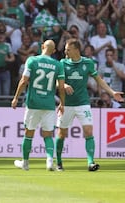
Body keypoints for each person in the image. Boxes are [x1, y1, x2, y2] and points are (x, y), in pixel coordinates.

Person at [55, 38, 124, 172]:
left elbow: (99, 80)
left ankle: (91, 162)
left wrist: (112, 92)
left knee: (88, 131)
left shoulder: (88, 63)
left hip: (83, 103)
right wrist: (65, 85)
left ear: (76, 49)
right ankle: (58, 162)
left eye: (68, 49)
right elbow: (56, 83)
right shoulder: (62, 63)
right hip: (67, 104)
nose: (65, 51)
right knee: (61, 133)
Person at [11, 40, 65, 171]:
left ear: (42, 47)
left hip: (33, 103)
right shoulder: (58, 65)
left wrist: (16, 97)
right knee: (48, 134)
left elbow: (24, 81)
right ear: (54, 51)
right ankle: (49, 162)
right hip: (48, 104)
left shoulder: (32, 60)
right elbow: (61, 87)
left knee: (29, 133)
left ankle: (25, 163)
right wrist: (62, 103)